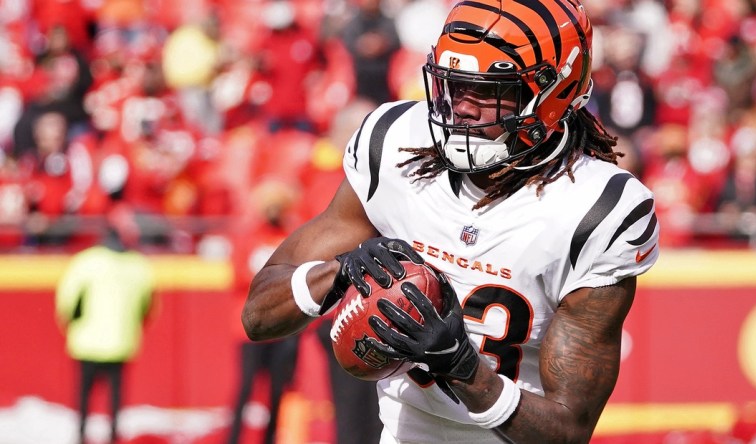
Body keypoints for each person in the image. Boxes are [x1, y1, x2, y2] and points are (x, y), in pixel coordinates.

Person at [242, 0, 660, 442]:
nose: (461, 107)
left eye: (487, 89)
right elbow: (258, 315)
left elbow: (568, 430)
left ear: (552, 94)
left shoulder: (597, 208)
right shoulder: (397, 145)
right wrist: (339, 271)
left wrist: (463, 367)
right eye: (453, 85)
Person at [55, 204, 155, 443]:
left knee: (84, 397)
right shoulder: (138, 266)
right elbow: (148, 307)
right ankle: (112, 437)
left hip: (86, 342)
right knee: (115, 400)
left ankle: (81, 436)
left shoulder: (86, 261)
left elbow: (66, 302)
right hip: (120, 342)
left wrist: (71, 325)